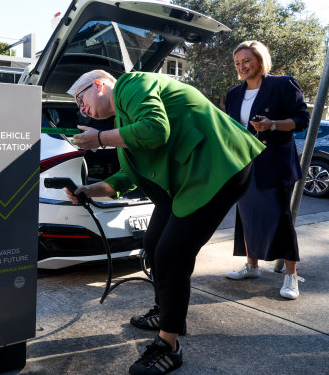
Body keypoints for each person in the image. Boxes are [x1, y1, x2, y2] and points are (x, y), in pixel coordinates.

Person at [65, 69, 264, 375]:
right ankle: (164, 311)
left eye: (81, 99)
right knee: (153, 243)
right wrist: (88, 190)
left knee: (172, 254)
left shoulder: (132, 85)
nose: (82, 109)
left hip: (218, 167)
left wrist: (99, 140)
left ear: (99, 85)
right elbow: (125, 179)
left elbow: (155, 130)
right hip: (188, 180)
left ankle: (168, 345)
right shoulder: (123, 123)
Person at [224, 40, 309, 299]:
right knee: (247, 216)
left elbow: (301, 120)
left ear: (260, 61)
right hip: (244, 161)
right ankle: (252, 266)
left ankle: (291, 277)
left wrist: (272, 125)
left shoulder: (282, 84)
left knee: (280, 218)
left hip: (274, 163)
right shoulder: (233, 94)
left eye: (246, 61)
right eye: (238, 63)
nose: (242, 67)